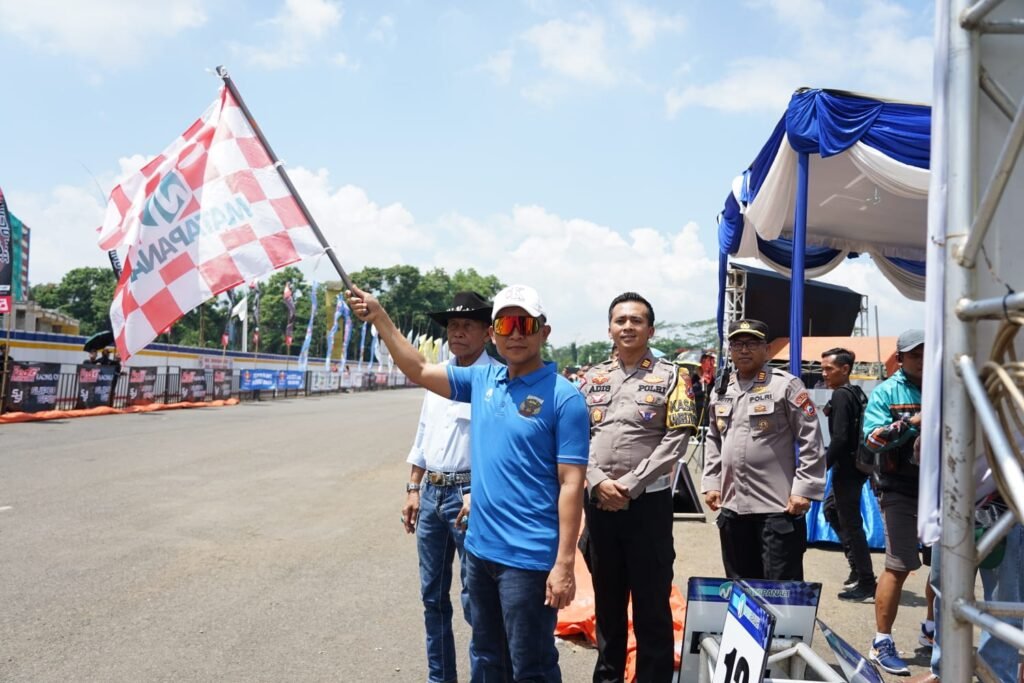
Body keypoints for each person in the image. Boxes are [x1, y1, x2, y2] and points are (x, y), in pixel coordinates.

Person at [347, 282, 589, 683]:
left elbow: (571, 484)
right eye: (506, 324)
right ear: (493, 333)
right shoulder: (483, 381)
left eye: (525, 324)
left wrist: (564, 564)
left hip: (528, 560)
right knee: (487, 656)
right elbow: (419, 369)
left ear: (544, 332)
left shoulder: (565, 398)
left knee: (531, 666)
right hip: (479, 550)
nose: (515, 334)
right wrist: (380, 318)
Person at [583, 292, 696, 683]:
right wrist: (597, 481)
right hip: (599, 504)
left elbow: (676, 440)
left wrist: (629, 485)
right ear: (609, 329)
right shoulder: (591, 378)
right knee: (607, 602)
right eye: (620, 320)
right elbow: (574, 436)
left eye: (636, 320)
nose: (627, 327)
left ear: (651, 329)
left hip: (648, 506)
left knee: (652, 605)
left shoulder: (674, 377)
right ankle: (608, 677)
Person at [401, 292, 499, 683]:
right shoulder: (438, 376)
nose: (457, 332)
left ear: (487, 333)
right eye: (453, 326)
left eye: (467, 326)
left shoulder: (497, 379)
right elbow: (424, 434)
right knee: (432, 597)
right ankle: (441, 678)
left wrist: (481, 491)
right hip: (432, 494)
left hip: (471, 497)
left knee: (478, 603)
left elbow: (500, 447)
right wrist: (413, 487)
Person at [700, 319, 826, 580]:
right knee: (741, 587)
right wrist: (712, 482)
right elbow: (714, 439)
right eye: (737, 344)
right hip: (732, 506)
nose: (744, 350)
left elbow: (811, 439)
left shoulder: (786, 385)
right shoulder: (721, 389)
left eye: (752, 343)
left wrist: (804, 489)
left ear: (767, 350)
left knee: (780, 589)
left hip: (777, 508)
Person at [863, 330, 930, 676]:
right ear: (900, 358)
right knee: (899, 565)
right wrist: (911, 423)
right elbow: (872, 440)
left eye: (927, 353)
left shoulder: (946, 386)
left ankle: (932, 630)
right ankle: (881, 641)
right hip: (898, 489)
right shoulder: (887, 391)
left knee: (947, 566)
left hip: (942, 491)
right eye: (914, 354)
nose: (922, 360)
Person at [819, 347, 876, 601]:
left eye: (829, 369)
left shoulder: (842, 395)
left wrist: (821, 466)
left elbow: (840, 438)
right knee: (831, 510)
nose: (824, 373)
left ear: (845, 369)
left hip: (848, 469)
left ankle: (866, 581)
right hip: (856, 466)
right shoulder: (855, 392)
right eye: (822, 368)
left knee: (852, 525)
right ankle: (856, 566)